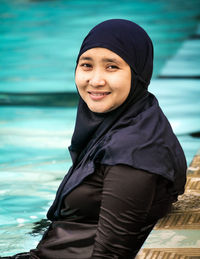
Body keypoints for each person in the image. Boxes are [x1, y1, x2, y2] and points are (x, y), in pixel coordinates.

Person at [1, 19, 187, 259]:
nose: (96, 80)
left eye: (112, 67)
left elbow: (110, 254)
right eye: (87, 65)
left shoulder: (134, 152)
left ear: (138, 72)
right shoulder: (135, 117)